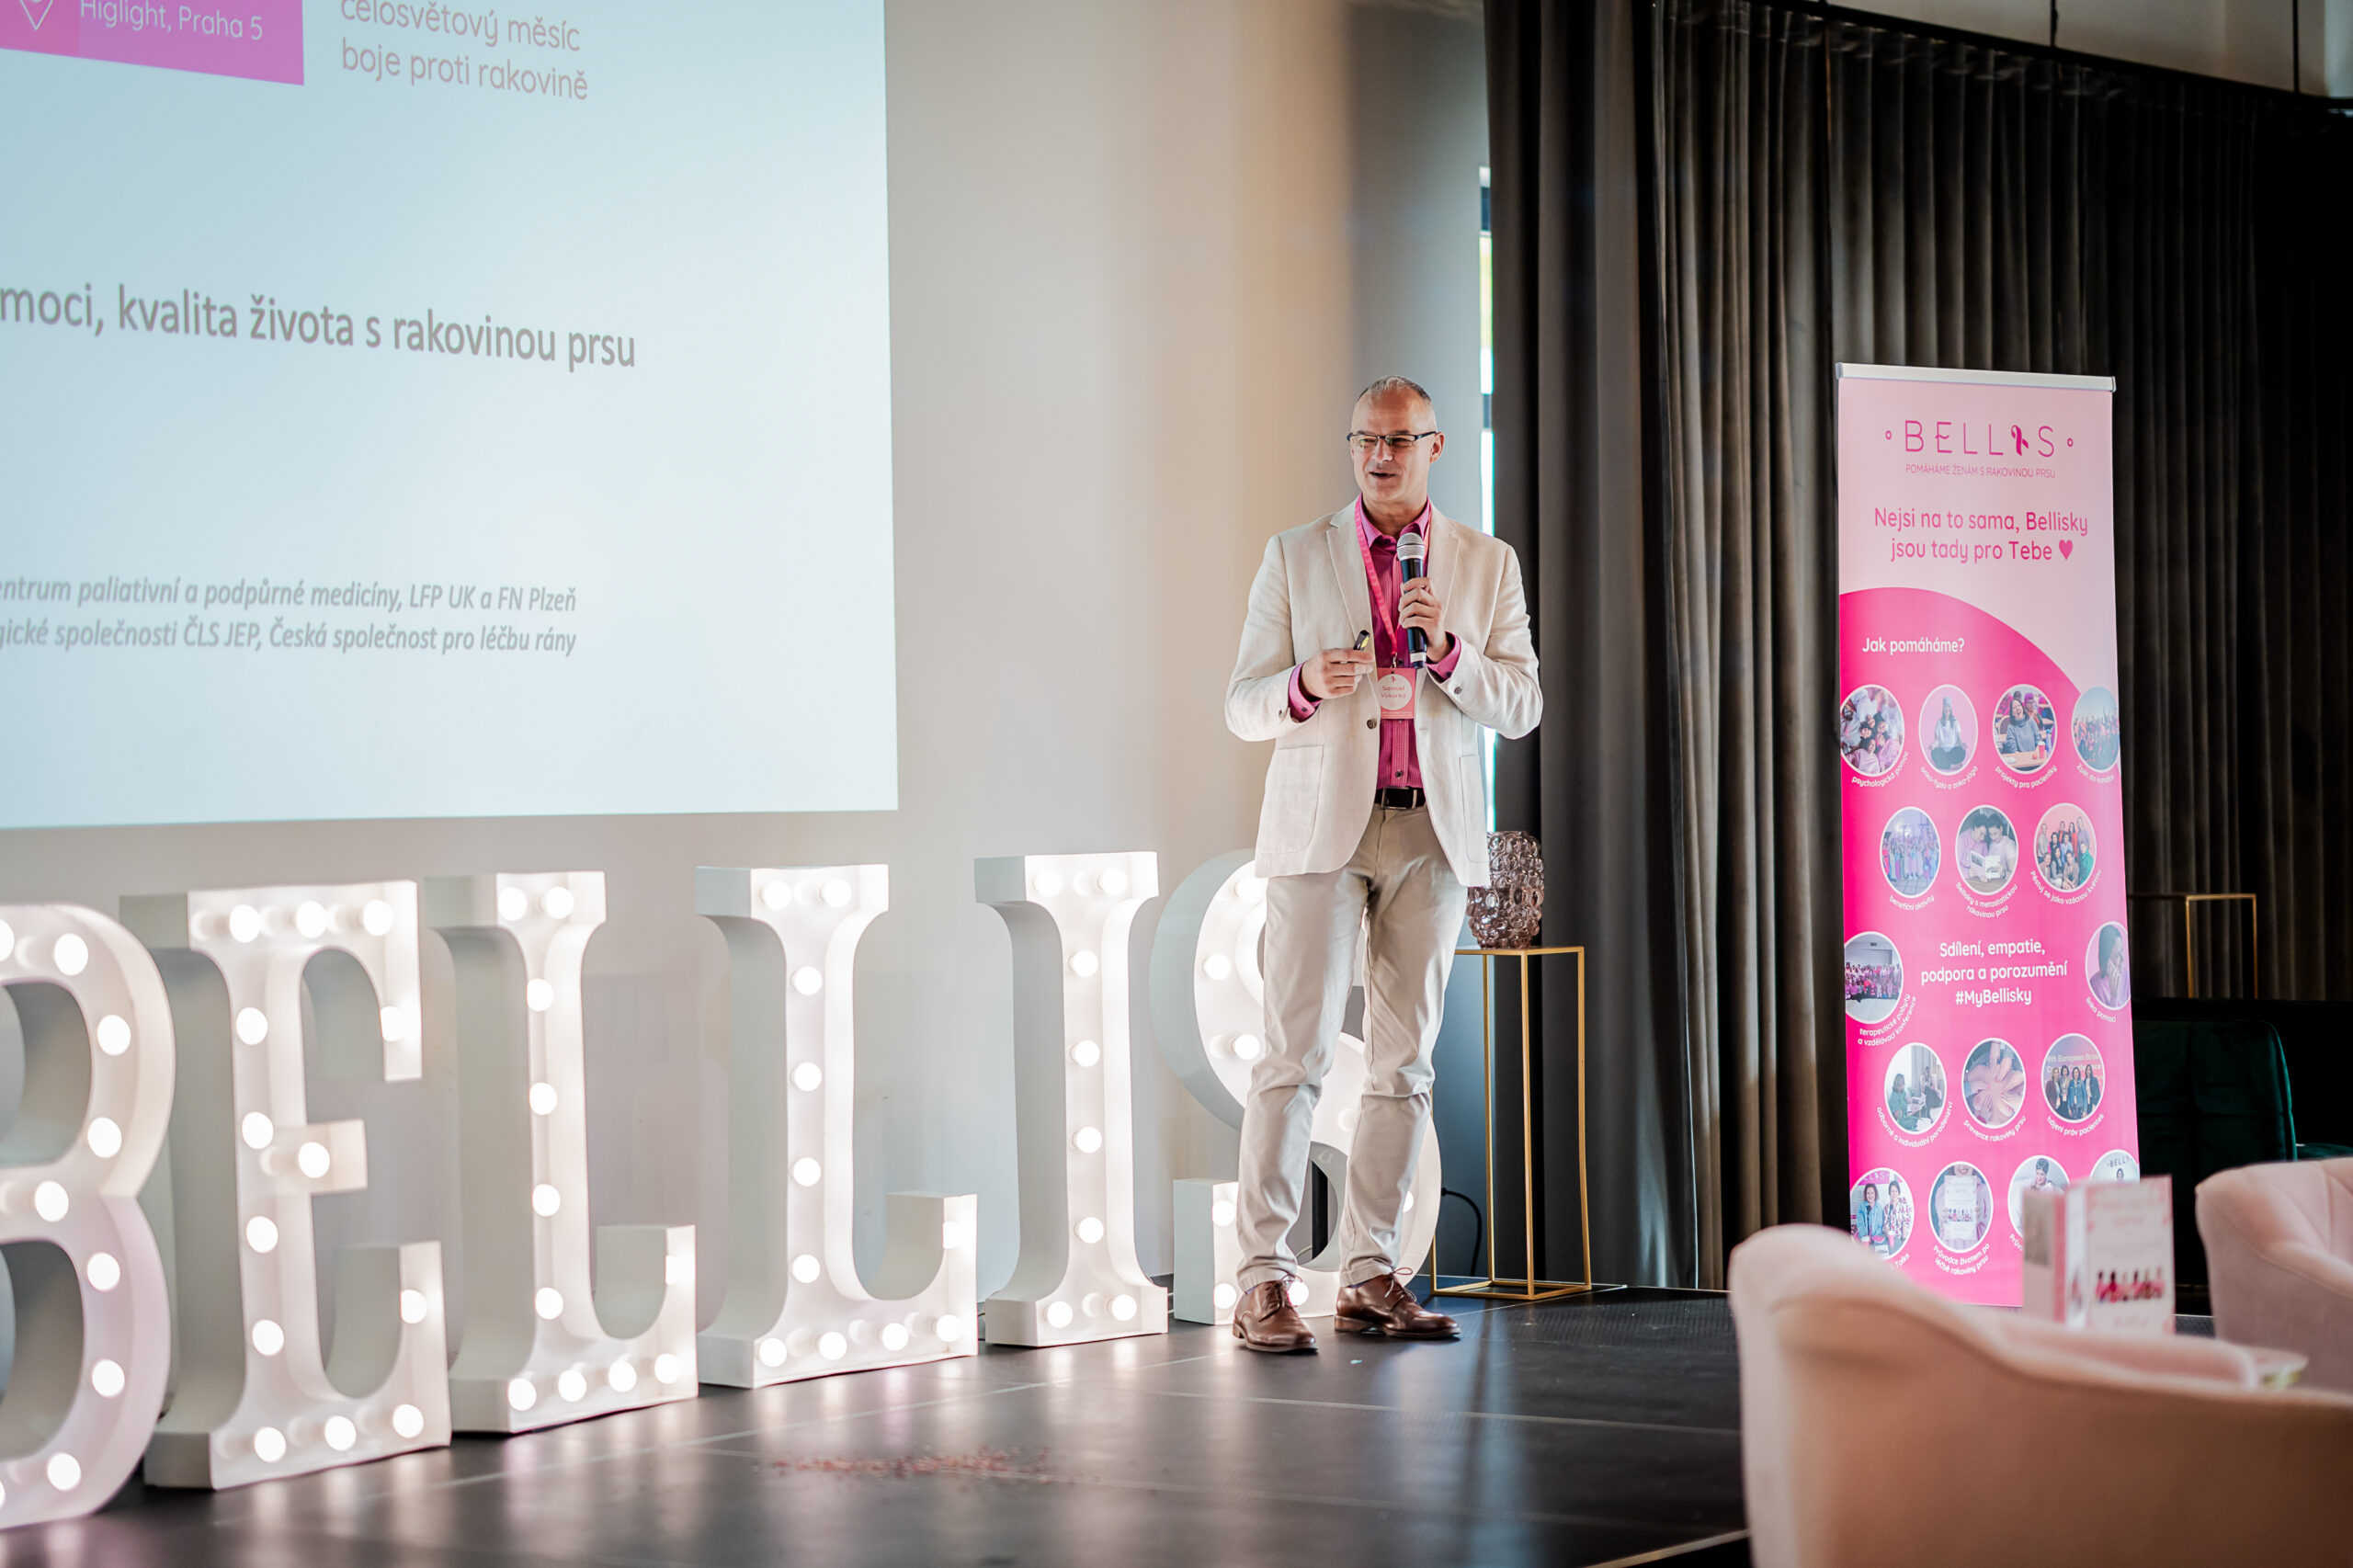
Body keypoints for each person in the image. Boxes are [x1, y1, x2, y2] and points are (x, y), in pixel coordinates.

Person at [1223, 376, 1542, 1353]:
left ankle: (1369, 1274)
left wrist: (1446, 650)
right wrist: (1301, 684)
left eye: (1399, 440)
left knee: (1403, 1066)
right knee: (1295, 1057)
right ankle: (1262, 1279)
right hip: (1322, 832)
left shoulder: (1485, 563)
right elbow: (1241, 704)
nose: (1379, 456)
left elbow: (1522, 705)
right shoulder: (1295, 554)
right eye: (1365, 439)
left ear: (1435, 447)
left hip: (1429, 835)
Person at [1930, 695, 1967, 771]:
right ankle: (1953, 766)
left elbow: (1959, 739)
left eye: (1949, 706)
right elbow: (1937, 740)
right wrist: (1933, 745)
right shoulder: (1939, 722)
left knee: (1962, 751)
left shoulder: (1955, 722)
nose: (1947, 709)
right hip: (1942, 752)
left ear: (1951, 708)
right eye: (1945, 707)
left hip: (1953, 751)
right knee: (1934, 752)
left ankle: (1943, 764)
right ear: (1943, 709)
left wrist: (1962, 744)